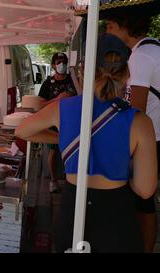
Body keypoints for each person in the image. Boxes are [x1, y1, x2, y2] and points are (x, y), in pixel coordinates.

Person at [15, 34, 157, 252]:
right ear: (127, 74)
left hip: (73, 213)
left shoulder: (62, 108)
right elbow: (145, 190)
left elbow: (22, 130)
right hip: (116, 220)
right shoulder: (140, 121)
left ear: (83, 71)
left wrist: (63, 138)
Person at [103, 6, 160, 252]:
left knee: (143, 201)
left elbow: (136, 111)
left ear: (125, 26)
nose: (107, 32)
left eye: (110, 26)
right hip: (154, 135)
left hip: (152, 139)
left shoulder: (141, 56)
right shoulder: (150, 49)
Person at [38, 52, 77, 193]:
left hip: (72, 122)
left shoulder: (73, 81)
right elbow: (40, 105)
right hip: (54, 124)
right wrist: (58, 99)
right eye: (59, 62)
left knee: (71, 152)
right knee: (53, 151)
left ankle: (71, 180)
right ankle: (53, 180)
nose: (62, 64)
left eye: (64, 61)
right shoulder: (48, 83)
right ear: (53, 65)